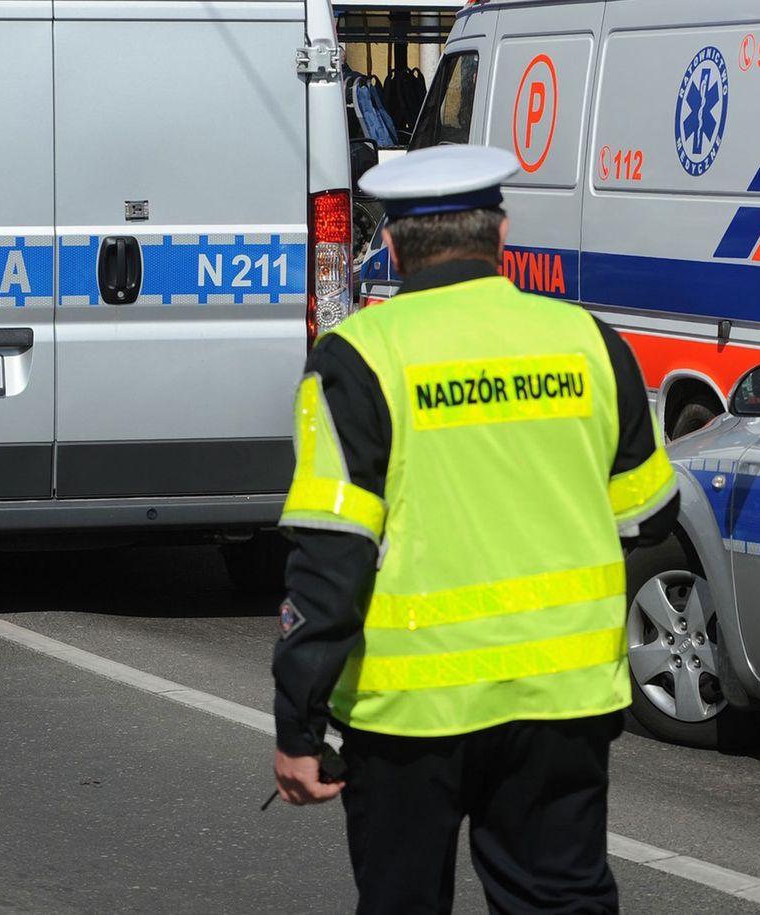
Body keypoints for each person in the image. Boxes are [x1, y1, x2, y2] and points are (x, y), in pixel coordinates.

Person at [271, 145, 680, 914]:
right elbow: (649, 513)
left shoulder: (358, 358)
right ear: (504, 234)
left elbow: (331, 555)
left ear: (390, 245)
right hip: (563, 697)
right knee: (560, 901)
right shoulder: (590, 341)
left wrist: (299, 720)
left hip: (410, 707)